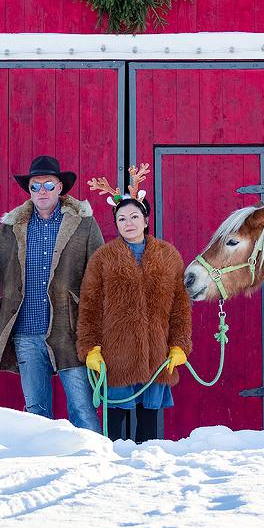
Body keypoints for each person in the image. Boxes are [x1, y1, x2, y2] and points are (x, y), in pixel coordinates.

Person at [0, 155, 104, 432]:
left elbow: (100, 276)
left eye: (48, 184)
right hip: (26, 332)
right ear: (29, 191)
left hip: (69, 331)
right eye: (35, 186)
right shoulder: (11, 228)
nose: (42, 192)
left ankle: (95, 463)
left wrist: (96, 330)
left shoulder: (83, 225)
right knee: (36, 412)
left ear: (60, 187)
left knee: (81, 407)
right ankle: (42, 464)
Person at [77, 165, 192, 442]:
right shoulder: (103, 258)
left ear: (146, 219)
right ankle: (111, 473)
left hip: (157, 353)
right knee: (114, 419)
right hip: (117, 355)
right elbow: (89, 307)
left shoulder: (168, 256)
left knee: (149, 420)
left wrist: (179, 345)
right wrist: (90, 348)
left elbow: (180, 307)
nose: (128, 223)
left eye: (134, 216)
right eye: (121, 219)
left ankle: (146, 475)